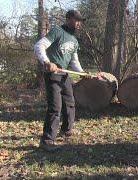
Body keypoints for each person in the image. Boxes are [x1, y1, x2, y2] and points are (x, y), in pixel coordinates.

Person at [34, 10, 91, 151]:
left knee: (69, 102)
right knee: (55, 107)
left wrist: (82, 73)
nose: (79, 24)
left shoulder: (74, 40)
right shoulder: (57, 32)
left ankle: (67, 129)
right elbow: (39, 46)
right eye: (76, 20)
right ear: (68, 19)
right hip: (52, 73)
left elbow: (74, 61)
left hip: (64, 74)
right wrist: (47, 62)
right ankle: (47, 140)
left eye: (80, 21)